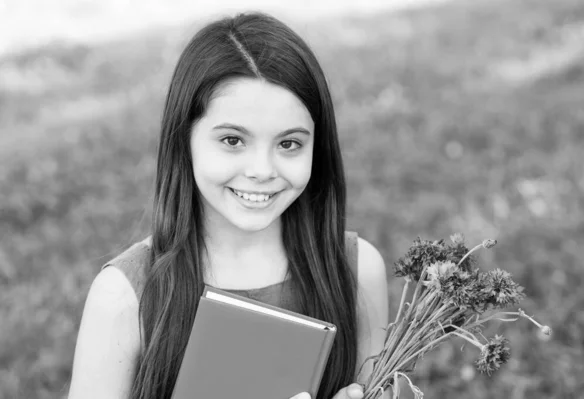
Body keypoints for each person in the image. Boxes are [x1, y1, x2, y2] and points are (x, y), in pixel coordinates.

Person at [67, 11, 389, 399]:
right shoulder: (123, 298)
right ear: (184, 139)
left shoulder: (356, 270)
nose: (261, 170)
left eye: (289, 144)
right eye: (233, 140)